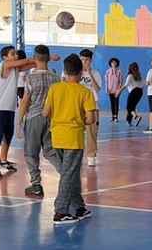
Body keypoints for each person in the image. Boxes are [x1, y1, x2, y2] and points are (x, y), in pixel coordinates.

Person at [43, 54, 97, 224]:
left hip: (56, 136)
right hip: (73, 138)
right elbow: (90, 119)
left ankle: (79, 207)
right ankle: (60, 211)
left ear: (64, 71)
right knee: (68, 175)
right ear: (81, 73)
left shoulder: (54, 89)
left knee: (70, 174)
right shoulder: (85, 92)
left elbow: (45, 113)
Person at [18, 44, 61, 198]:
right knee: (50, 151)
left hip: (34, 118)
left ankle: (36, 185)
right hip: (50, 118)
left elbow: (25, 101)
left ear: (35, 58)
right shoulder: (56, 78)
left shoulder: (30, 78)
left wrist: (19, 122)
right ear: (48, 58)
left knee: (31, 152)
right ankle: (66, 175)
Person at [0, 45, 35, 177]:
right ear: (4, 57)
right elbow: (25, 62)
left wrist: (43, 60)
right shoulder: (5, 65)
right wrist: (35, 58)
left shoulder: (14, 69)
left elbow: (27, 65)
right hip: (0, 107)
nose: (16, 56)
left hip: (9, 107)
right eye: (13, 54)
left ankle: (2, 159)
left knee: (8, 135)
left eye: (16, 54)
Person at [77, 48, 103, 166]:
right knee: (77, 132)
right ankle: (76, 156)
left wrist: (90, 73)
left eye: (86, 60)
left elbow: (97, 89)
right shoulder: (76, 72)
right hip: (78, 106)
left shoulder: (96, 73)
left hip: (92, 106)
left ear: (90, 60)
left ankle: (91, 156)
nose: (84, 62)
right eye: (82, 60)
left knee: (92, 132)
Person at [124, 62, 145, 126]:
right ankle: (129, 121)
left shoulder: (130, 76)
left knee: (129, 107)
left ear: (130, 68)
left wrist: (119, 91)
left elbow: (126, 85)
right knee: (132, 107)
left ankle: (136, 117)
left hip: (133, 91)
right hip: (140, 92)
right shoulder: (140, 76)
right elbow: (143, 85)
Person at [105, 57, 125, 123]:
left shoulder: (119, 72)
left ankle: (116, 117)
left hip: (117, 90)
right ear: (110, 63)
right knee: (112, 104)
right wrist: (107, 89)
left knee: (116, 103)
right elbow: (106, 81)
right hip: (110, 90)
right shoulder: (108, 71)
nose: (113, 63)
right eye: (112, 62)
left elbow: (121, 81)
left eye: (115, 62)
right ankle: (113, 117)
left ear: (117, 63)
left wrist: (119, 90)